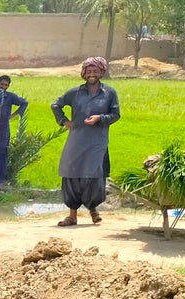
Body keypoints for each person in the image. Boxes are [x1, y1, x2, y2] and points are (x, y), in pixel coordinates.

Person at [51, 56, 120, 226]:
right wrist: (64, 121)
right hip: (77, 139)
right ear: (84, 73)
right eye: (88, 71)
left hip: (98, 140)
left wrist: (100, 118)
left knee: (94, 173)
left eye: (95, 71)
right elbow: (55, 104)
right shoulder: (75, 92)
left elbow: (115, 115)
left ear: (101, 73)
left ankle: (93, 208)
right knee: (71, 172)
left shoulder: (109, 93)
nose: (91, 74)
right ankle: (72, 216)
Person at [0, 75, 28, 191]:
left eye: (6, 85)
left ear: (8, 86)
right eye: (1, 84)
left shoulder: (10, 97)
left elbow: (24, 103)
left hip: (3, 129)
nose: (3, 87)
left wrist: (15, 114)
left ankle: (0, 181)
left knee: (2, 152)